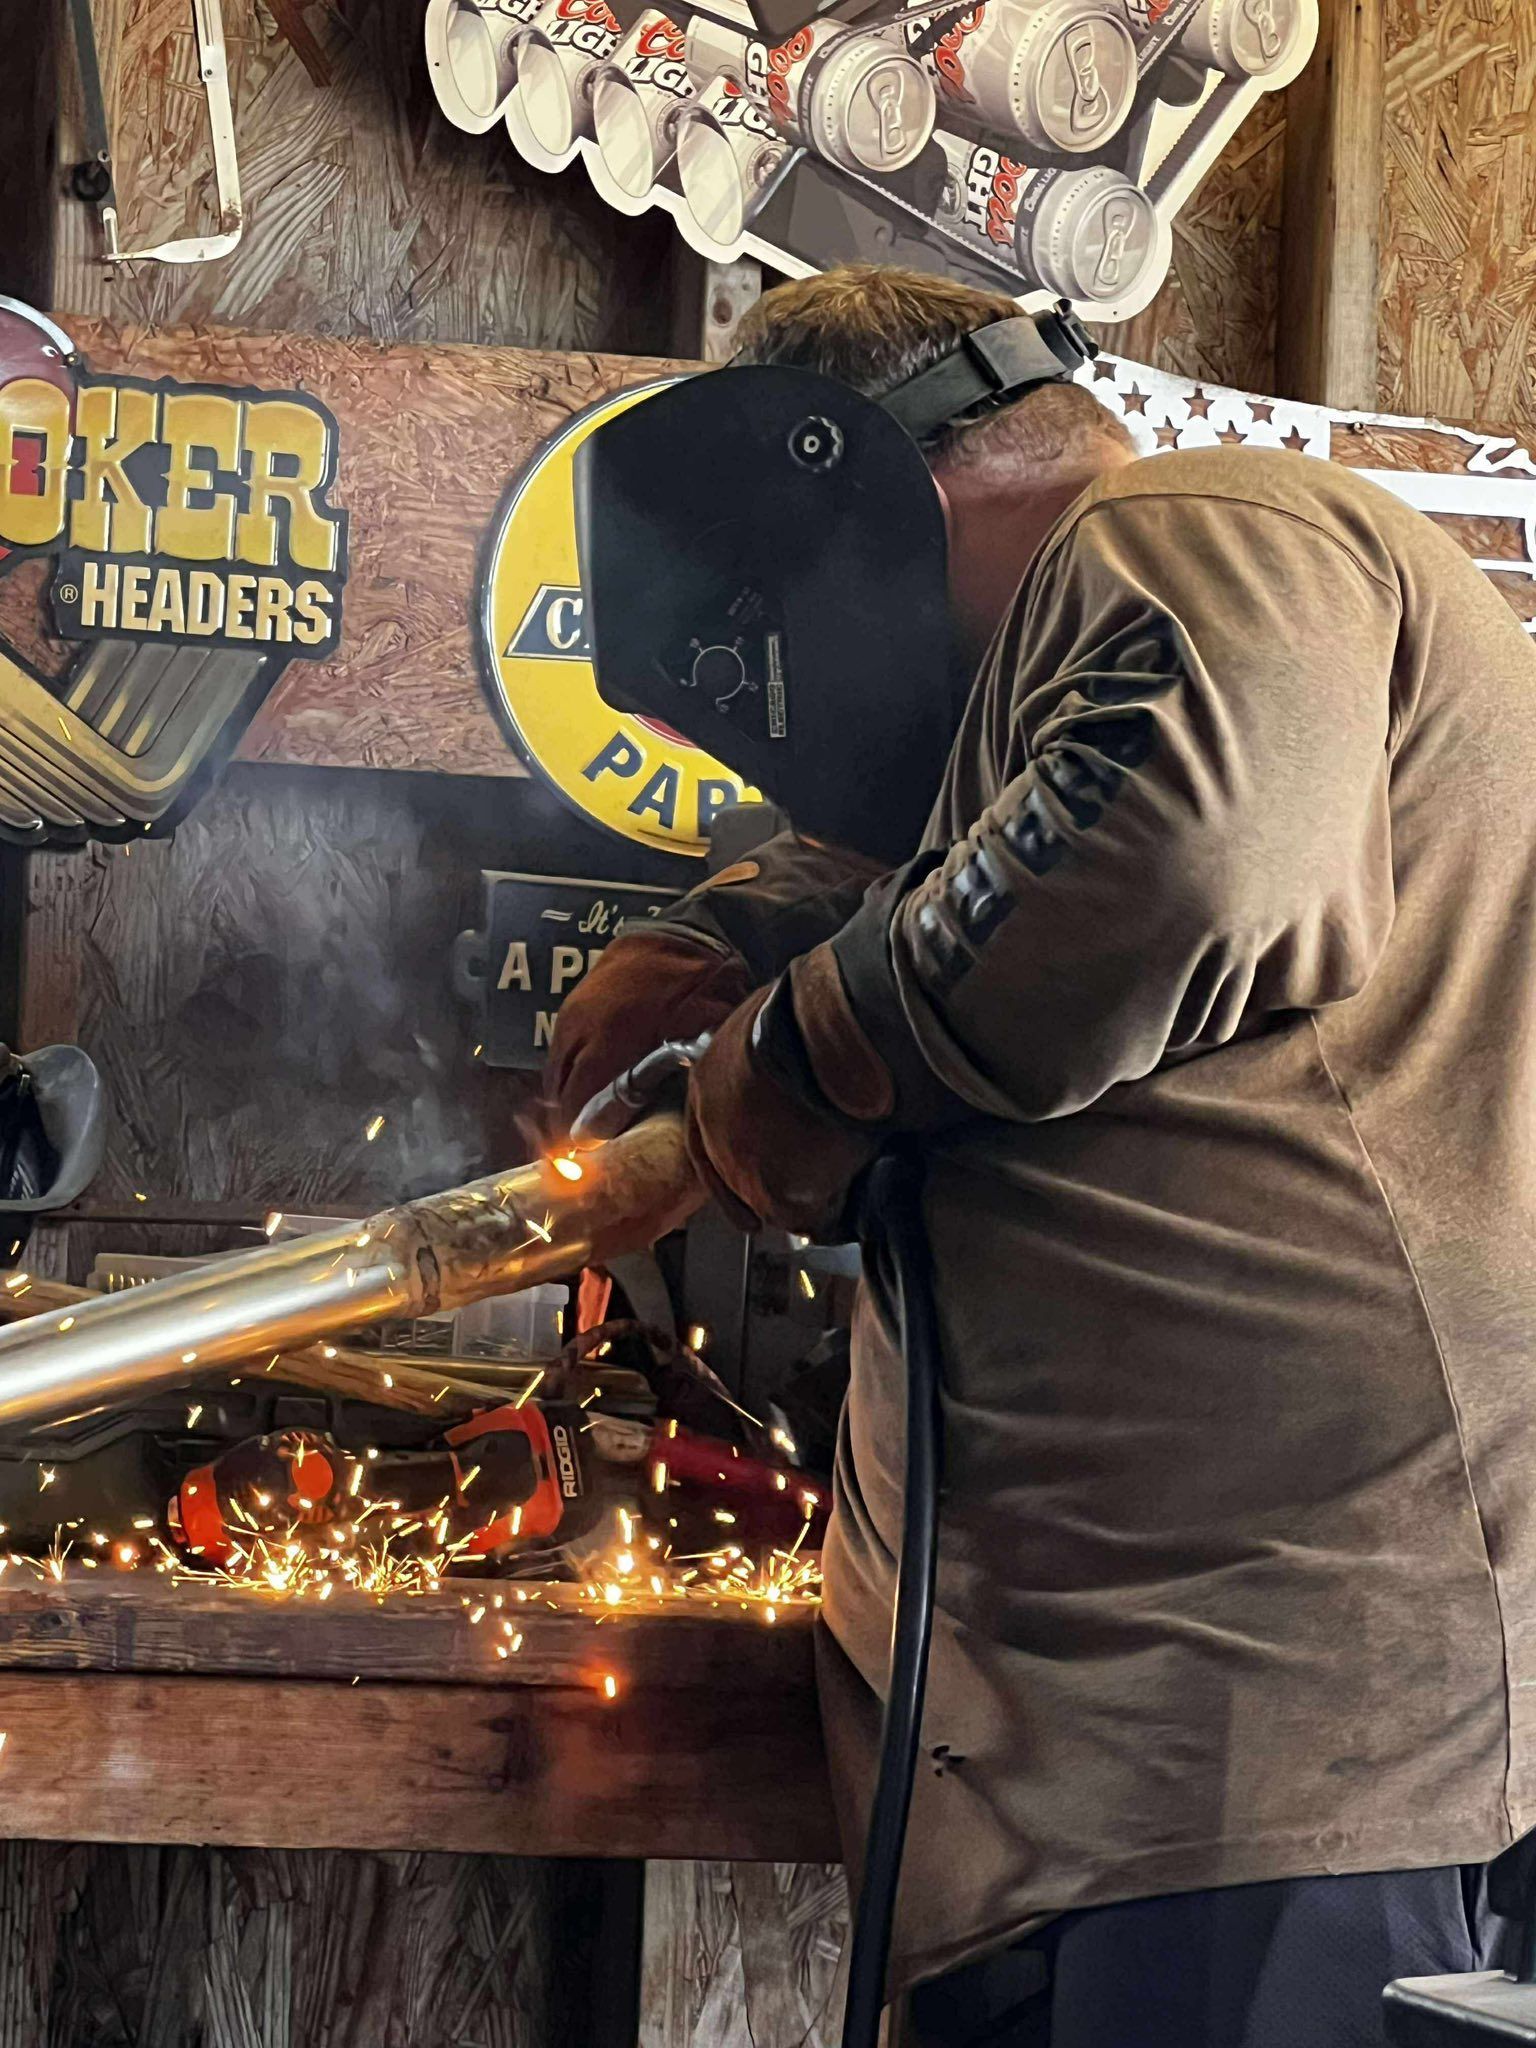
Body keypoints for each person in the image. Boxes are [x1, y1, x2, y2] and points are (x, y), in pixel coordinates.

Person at [547, 264, 1536, 2046]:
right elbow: (971, 849)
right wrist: (737, 928)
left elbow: (1175, 854)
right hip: (1123, 1802)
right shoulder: (1093, 658)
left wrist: (768, 1083)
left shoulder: (1193, 528)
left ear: (842, 476)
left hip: (1272, 1772)